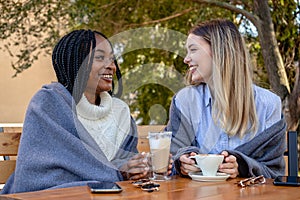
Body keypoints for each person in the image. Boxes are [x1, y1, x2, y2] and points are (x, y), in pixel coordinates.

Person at [1, 29, 154, 194]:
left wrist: (140, 168)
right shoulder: (49, 103)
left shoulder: (120, 112)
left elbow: (126, 166)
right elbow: (39, 177)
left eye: (112, 59)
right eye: (100, 58)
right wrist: (117, 173)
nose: (111, 66)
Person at [166, 19, 286, 179]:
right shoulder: (185, 101)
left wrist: (242, 167)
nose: (185, 59)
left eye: (193, 50)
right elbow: (171, 158)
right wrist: (182, 162)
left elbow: (273, 172)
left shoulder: (269, 105)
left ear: (219, 51)